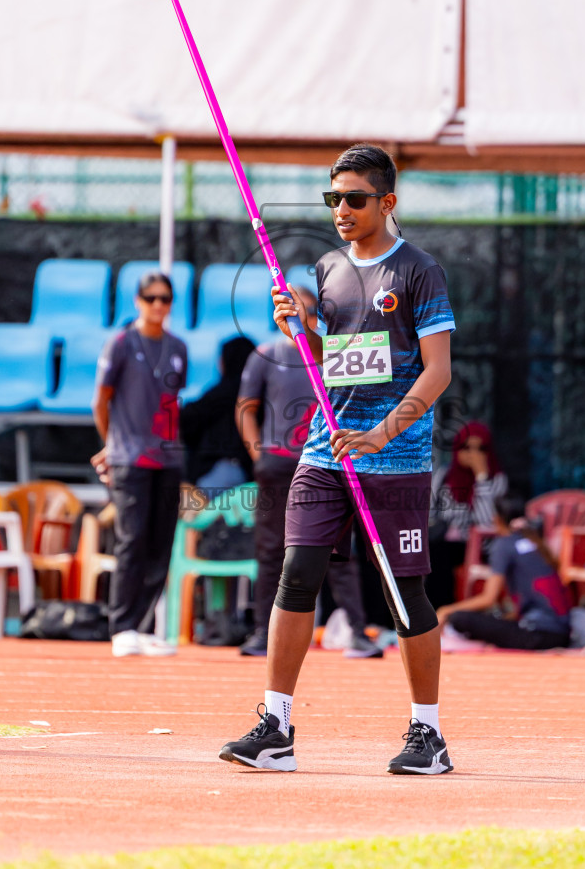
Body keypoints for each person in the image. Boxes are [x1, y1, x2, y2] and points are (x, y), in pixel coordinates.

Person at [219, 142, 455, 775]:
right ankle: (277, 728)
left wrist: (382, 432)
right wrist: (304, 326)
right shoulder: (327, 267)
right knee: (296, 576)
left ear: (387, 202)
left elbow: (437, 373)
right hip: (324, 451)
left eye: (355, 198)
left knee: (406, 595)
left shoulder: (418, 271)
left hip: (395, 459)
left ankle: (427, 735)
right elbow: (337, 360)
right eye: (334, 199)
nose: (342, 210)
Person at [236, 287, 382, 658]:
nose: (294, 311)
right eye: (288, 305)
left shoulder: (332, 351)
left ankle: (356, 631)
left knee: (337, 551)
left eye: (303, 305)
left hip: (326, 463)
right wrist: (258, 454)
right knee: (270, 549)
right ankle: (260, 632)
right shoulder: (267, 353)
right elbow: (245, 407)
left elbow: (364, 396)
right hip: (277, 464)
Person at [92, 271, 187, 657]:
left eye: (164, 298)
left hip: (168, 456)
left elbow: (172, 403)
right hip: (130, 457)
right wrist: (111, 444)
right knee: (131, 540)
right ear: (137, 300)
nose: (158, 305)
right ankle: (122, 625)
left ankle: (144, 625)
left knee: (161, 543)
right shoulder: (119, 343)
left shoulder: (179, 346)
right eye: (150, 298)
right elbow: (101, 401)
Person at [436, 495, 571, 650]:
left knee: (459, 618)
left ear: (497, 519)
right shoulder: (534, 541)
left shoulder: (504, 544)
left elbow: (488, 598)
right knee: (499, 618)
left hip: (537, 635)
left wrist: (446, 610)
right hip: (561, 634)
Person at [426, 421, 507, 609]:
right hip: (444, 540)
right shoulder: (445, 476)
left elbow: (486, 521)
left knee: (439, 553)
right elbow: (430, 512)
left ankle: (442, 612)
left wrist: (481, 477)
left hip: (482, 546)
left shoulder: (496, 480)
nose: (472, 454)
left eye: (480, 448)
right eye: (466, 447)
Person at [179, 336, 255, 500]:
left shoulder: (220, 393)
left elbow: (184, 422)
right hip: (250, 477)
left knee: (196, 521)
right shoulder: (260, 394)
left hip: (218, 473)